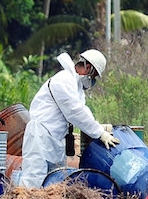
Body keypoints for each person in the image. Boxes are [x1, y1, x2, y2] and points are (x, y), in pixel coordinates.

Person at [18, 49, 119, 188]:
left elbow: (83, 110)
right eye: (94, 76)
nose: (93, 81)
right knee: (33, 181)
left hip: (55, 139)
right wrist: (99, 132)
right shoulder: (63, 80)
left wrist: (100, 129)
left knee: (53, 184)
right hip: (39, 136)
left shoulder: (75, 86)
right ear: (88, 68)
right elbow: (75, 112)